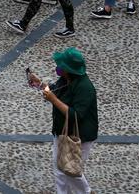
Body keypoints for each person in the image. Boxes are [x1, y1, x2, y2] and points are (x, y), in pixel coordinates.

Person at [26, 48, 99, 193]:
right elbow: (56, 90)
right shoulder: (67, 79)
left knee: (71, 170)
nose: (57, 67)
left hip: (77, 137)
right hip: (61, 132)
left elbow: (75, 116)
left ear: (68, 69)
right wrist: (40, 84)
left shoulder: (85, 88)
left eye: (61, 65)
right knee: (59, 169)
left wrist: (53, 100)